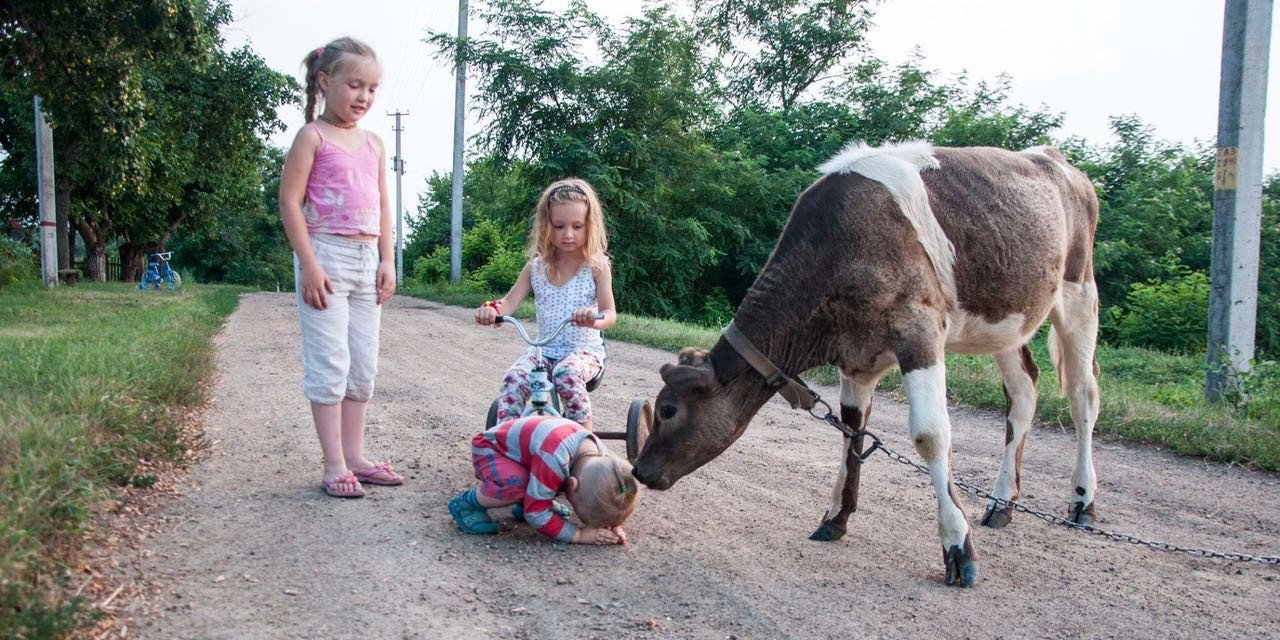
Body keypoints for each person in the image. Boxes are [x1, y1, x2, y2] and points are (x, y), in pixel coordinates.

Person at [279, 37, 402, 498]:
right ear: (325, 81)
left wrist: (388, 260)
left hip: (367, 259)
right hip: (325, 255)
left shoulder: (373, 143)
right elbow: (290, 203)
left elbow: (384, 206)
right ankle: (333, 464)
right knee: (330, 363)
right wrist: (308, 265)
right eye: (355, 85)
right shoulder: (312, 136)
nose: (364, 97)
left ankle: (356, 457)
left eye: (372, 88)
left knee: (362, 366)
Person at [473, 178, 617, 430]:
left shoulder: (596, 267)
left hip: (584, 352)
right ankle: (509, 442)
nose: (568, 234)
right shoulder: (536, 268)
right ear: (546, 225)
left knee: (566, 374)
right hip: (544, 353)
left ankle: (583, 444)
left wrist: (593, 318)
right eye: (559, 226)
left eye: (577, 226)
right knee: (514, 379)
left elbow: (610, 314)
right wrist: (492, 310)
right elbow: (508, 303)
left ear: (590, 226)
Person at [449, 415, 639, 544]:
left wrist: (612, 522)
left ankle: (531, 497)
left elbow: (610, 489)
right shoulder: (554, 458)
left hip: (523, 457)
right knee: (517, 485)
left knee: (542, 480)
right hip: (491, 450)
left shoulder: (598, 457)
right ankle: (467, 504)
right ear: (570, 485)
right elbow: (536, 514)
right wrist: (579, 535)